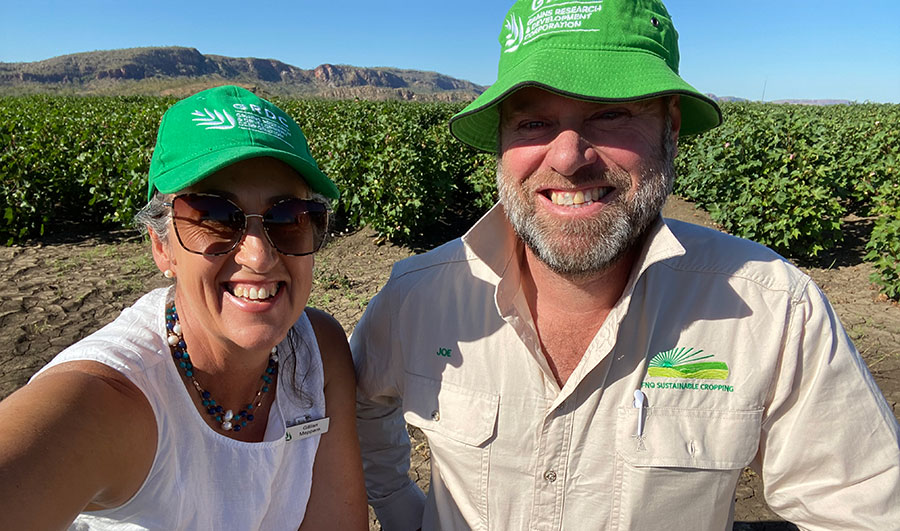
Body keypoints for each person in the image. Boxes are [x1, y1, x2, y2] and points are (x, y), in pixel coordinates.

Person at [351, 1, 900, 529]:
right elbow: (360, 409)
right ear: (501, 141)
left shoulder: (775, 310)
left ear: (672, 127)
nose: (567, 157)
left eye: (611, 114)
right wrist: (406, 512)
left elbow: (861, 508)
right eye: (533, 122)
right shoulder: (417, 297)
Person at [0, 85, 368, 529]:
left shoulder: (318, 353)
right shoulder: (110, 400)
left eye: (289, 219)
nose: (258, 256)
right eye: (213, 216)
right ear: (161, 247)